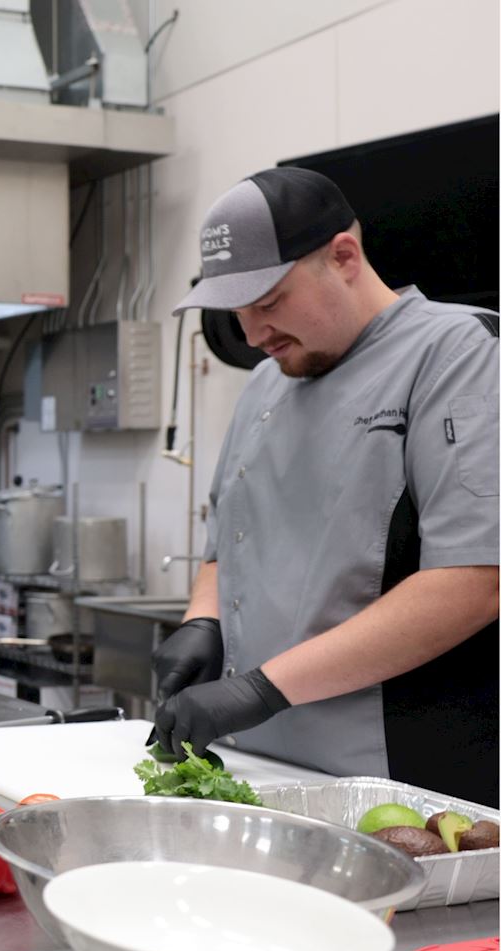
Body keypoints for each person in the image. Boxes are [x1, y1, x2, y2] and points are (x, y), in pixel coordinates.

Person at [152, 166, 499, 806]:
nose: (253, 334)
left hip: (397, 776)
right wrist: (202, 621)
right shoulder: (266, 381)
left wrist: (260, 688)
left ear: (343, 256)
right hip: (257, 764)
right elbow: (230, 538)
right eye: (237, 312)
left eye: (268, 302)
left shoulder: (459, 352)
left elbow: (474, 580)